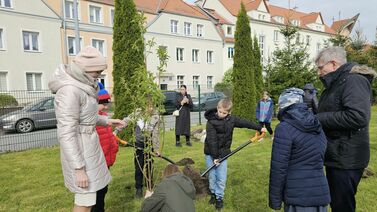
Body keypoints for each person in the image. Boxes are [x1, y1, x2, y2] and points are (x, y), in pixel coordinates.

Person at [48, 46, 125, 212]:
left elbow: (87, 118)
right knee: (84, 201)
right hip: (81, 153)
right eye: (97, 72)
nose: (98, 76)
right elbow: (67, 133)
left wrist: (109, 121)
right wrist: (79, 169)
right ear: (84, 70)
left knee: (90, 200)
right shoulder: (70, 91)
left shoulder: (83, 87)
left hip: (90, 149)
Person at [315, 46, 376, 212]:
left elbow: (358, 116)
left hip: (347, 158)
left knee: (342, 206)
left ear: (334, 64)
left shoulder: (353, 81)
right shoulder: (336, 83)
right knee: (336, 202)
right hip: (337, 154)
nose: (319, 72)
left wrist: (319, 118)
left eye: (321, 67)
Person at [269, 88, 331, 212]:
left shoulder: (284, 128)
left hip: (297, 196)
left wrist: (275, 201)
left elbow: (279, 168)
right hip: (321, 194)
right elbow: (322, 152)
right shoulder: (316, 123)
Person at [204, 99, 267, 210]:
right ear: (217, 109)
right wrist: (215, 157)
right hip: (210, 153)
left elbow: (244, 123)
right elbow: (212, 141)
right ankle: (213, 194)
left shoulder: (231, 120)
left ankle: (219, 197)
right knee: (212, 176)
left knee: (221, 177)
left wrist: (259, 127)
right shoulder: (211, 122)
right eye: (220, 111)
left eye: (225, 113)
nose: (222, 114)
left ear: (229, 112)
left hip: (223, 154)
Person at [91, 82, 119, 212]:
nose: (106, 108)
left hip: (106, 160)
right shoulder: (90, 120)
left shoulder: (103, 116)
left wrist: (116, 132)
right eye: (104, 104)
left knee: (103, 190)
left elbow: (108, 137)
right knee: (97, 193)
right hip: (97, 162)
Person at [133, 105, 160, 198]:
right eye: (148, 106)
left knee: (149, 165)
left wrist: (156, 149)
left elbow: (155, 134)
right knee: (139, 166)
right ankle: (138, 188)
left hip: (149, 144)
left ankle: (149, 184)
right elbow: (126, 120)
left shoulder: (155, 117)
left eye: (152, 106)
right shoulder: (137, 114)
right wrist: (116, 130)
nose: (151, 108)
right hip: (139, 144)